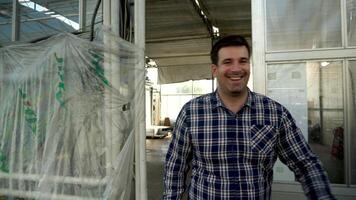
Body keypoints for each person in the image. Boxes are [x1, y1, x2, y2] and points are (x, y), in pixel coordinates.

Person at [162, 35, 335, 199]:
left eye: (243, 61)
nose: (236, 68)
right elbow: (175, 166)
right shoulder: (192, 113)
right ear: (215, 70)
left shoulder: (274, 113)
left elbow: (305, 164)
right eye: (228, 62)